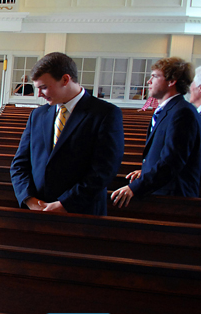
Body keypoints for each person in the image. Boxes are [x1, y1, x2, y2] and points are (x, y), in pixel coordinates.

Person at [10, 52, 124, 216]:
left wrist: (66, 203)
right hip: (38, 210)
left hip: (82, 212)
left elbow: (104, 169)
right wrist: (28, 199)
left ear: (65, 79)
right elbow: (20, 163)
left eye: (44, 87)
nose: (39, 95)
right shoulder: (38, 115)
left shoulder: (105, 113)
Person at [111, 58, 201, 207]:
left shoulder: (182, 113)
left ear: (172, 81)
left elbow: (172, 161)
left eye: (155, 76)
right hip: (161, 190)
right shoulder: (170, 110)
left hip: (172, 198)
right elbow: (164, 152)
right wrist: (146, 170)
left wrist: (135, 188)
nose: (148, 81)